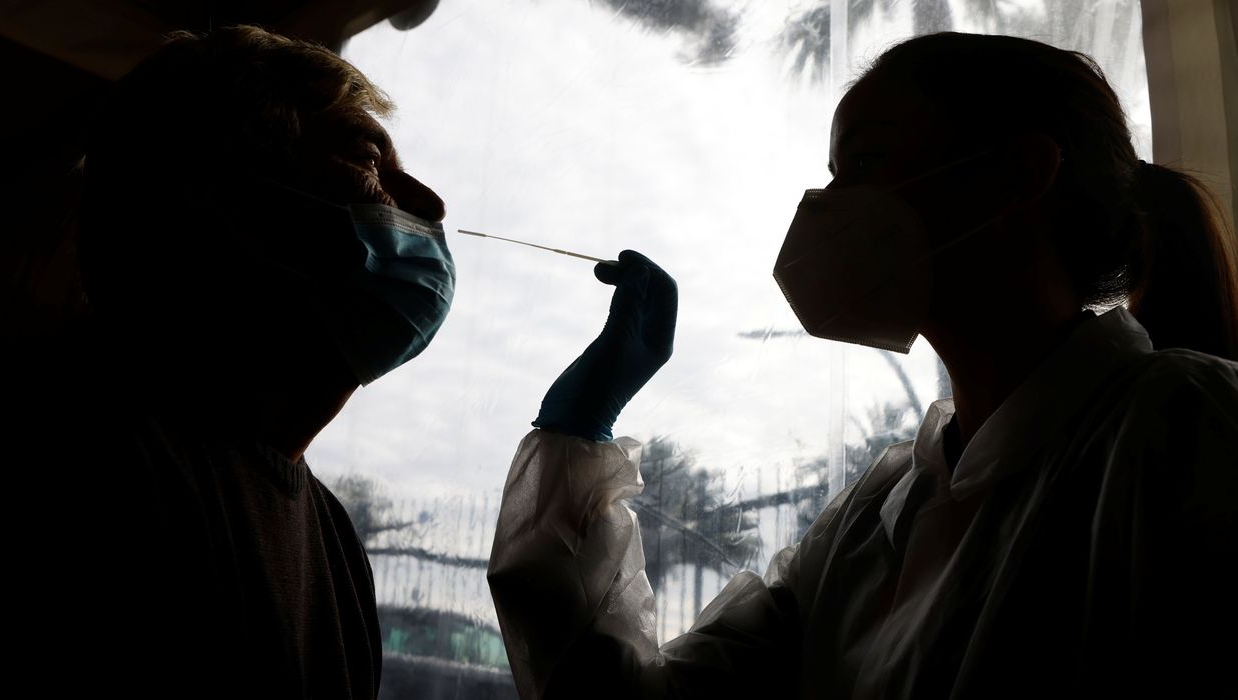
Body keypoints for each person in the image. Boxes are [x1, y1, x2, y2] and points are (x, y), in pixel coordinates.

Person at [487, 32, 1238, 699]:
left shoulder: (1185, 425)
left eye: (865, 164)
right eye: (832, 172)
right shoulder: (871, 519)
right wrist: (573, 442)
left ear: (1016, 176)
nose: (825, 207)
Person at [2, 26, 453, 699]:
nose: (430, 204)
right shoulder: (67, 449)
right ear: (229, 197)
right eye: (367, 158)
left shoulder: (333, 539)